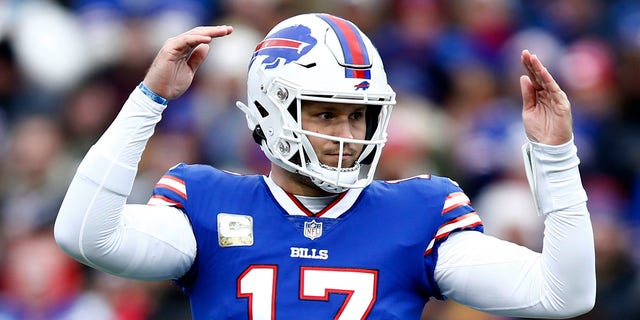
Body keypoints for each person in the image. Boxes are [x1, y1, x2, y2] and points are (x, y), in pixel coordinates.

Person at [54, 13, 596, 319]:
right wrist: (150, 98)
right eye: (324, 113)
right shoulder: (207, 204)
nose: (345, 134)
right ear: (270, 110)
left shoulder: (418, 213)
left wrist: (555, 155)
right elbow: (85, 235)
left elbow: (564, 295)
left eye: (358, 116)